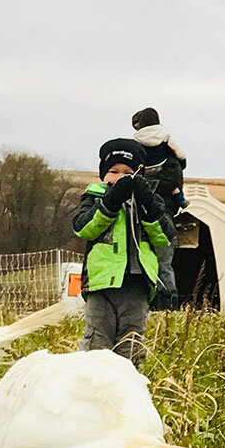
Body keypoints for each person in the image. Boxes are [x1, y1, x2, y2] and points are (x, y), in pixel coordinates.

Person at [73, 139, 175, 365]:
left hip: (137, 284)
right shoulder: (94, 195)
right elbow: (83, 228)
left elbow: (164, 236)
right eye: (113, 171)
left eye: (128, 172)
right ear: (103, 174)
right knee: (97, 343)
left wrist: (147, 202)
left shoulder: (150, 199)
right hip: (101, 285)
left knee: (131, 344)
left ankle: (127, 388)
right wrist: (110, 202)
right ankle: (90, 388)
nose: (120, 176)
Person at [132, 107, 188, 307]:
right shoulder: (169, 150)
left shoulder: (135, 151)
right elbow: (175, 176)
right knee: (163, 260)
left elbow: (133, 179)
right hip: (165, 207)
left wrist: (144, 185)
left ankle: (153, 303)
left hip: (143, 210)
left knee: (150, 259)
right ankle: (167, 304)